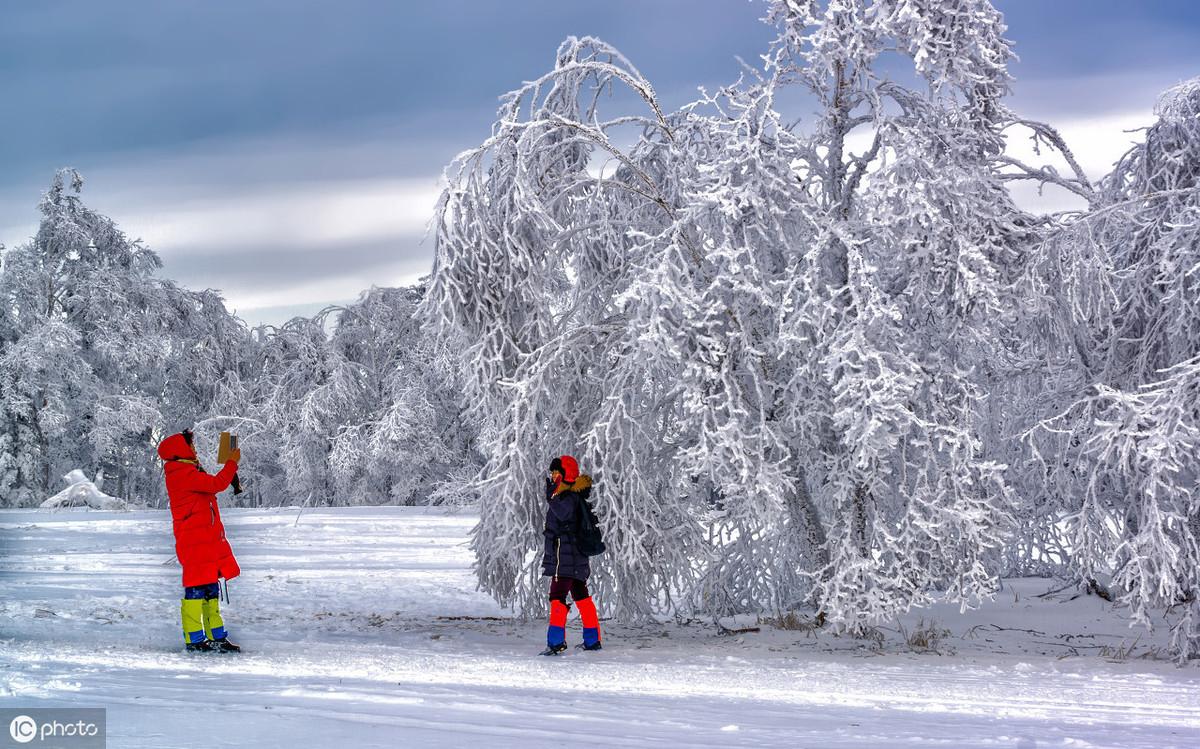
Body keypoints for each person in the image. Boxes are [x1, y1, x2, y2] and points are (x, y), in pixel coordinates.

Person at [158, 429, 242, 653]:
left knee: (210, 592)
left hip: (204, 542)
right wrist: (231, 464)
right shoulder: (181, 473)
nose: (195, 450)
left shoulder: (187, 470)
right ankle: (194, 640)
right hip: (195, 544)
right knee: (196, 593)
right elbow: (216, 484)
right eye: (192, 446)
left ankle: (216, 637)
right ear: (181, 450)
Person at [540, 454, 602, 655]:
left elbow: (562, 514)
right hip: (576, 558)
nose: (553, 476)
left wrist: (551, 494)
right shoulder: (575, 496)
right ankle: (592, 640)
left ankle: (556, 642)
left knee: (557, 598)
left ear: (565, 474)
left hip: (564, 559)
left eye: (556, 472)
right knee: (581, 596)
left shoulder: (567, 498)